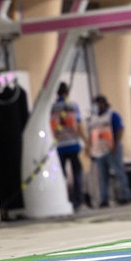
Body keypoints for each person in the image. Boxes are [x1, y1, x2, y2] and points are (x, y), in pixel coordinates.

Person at [90, 95, 131, 206]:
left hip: (112, 149)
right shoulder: (94, 119)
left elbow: (120, 130)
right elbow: (92, 135)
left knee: (119, 173)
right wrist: (91, 149)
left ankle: (125, 195)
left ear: (103, 104)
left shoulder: (112, 115)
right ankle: (104, 199)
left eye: (97, 104)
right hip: (99, 151)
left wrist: (116, 145)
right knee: (103, 177)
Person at [50, 82, 85, 210]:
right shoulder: (72, 105)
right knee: (77, 174)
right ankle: (78, 201)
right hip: (73, 144)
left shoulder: (52, 108)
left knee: (61, 176)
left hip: (59, 146)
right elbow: (79, 125)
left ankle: (63, 200)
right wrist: (86, 141)